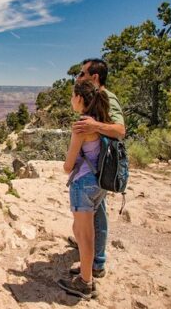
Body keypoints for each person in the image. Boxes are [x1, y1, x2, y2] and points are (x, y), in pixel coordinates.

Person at [68, 58, 126, 278]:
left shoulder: (108, 97)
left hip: (97, 171)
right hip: (95, 169)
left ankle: (96, 263)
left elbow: (120, 130)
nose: (78, 78)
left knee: (98, 215)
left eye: (82, 74)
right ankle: (89, 254)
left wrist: (94, 126)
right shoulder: (95, 100)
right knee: (93, 215)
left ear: (95, 77)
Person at [57, 80, 112, 299]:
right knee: (84, 231)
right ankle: (86, 271)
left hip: (83, 183)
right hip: (99, 182)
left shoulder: (82, 125)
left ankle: (85, 282)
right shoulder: (101, 121)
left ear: (80, 98)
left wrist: (66, 167)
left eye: (72, 96)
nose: (71, 100)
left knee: (83, 234)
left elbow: (68, 165)